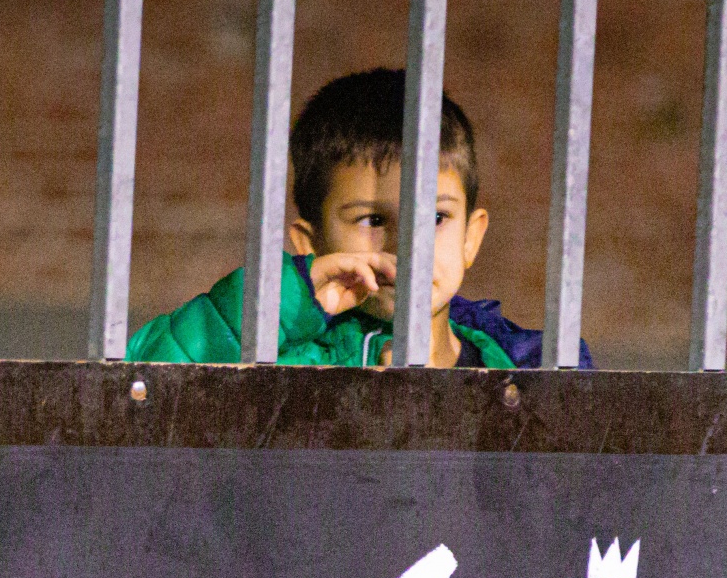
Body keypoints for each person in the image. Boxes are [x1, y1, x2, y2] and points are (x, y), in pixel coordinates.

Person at [127, 68, 588, 368]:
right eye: (371, 220)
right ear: (310, 245)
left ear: (471, 237)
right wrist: (289, 295)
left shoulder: (522, 365)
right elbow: (141, 389)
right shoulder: (287, 362)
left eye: (435, 217)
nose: (406, 248)